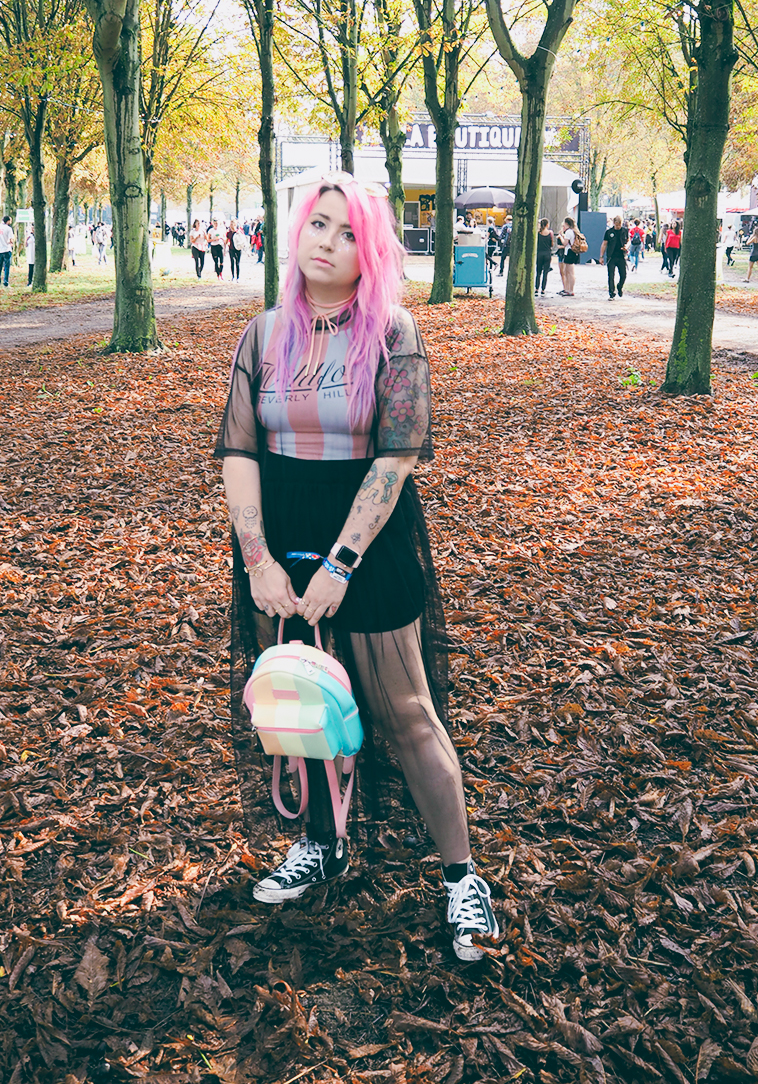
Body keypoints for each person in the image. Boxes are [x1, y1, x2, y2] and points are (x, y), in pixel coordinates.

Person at [215, 180, 500, 962]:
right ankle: (321, 842)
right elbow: (238, 449)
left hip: (366, 540)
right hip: (281, 534)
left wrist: (343, 561)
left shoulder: (395, 335)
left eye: (347, 231)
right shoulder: (261, 335)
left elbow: (399, 452)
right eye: (317, 223)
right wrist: (258, 561)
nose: (327, 240)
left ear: (369, 250)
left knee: (408, 713)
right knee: (301, 707)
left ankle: (461, 877)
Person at [602, 214, 630, 299]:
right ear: (614, 223)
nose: (618, 227)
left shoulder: (625, 231)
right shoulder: (609, 232)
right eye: (617, 225)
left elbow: (629, 240)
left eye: (619, 225)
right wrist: (601, 256)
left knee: (623, 275)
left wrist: (626, 246)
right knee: (611, 275)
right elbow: (604, 244)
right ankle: (612, 293)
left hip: (621, 256)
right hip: (612, 256)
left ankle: (619, 286)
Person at [558, 215, 578, 296]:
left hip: (569, 252)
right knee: (567, 271)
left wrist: (561, 237)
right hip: (572, 252)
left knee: (569, 272)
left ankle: (570, 290)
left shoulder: (569, 232)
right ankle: (568, 289)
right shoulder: (573, 231)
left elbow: (565, 243)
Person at [535, 217, 555, 295]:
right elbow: (552, 244)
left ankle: (536, 288)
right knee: (545, 272)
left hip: (539, 253)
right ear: (547, 224)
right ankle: (543, 289)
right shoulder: (550, 233)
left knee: (538, 272)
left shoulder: (538, 233)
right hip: (547, 253)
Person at [0, 214, 15, 287]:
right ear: (8, 221)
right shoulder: (8, 229)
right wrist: (12, 243)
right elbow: (11, 240)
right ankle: (6, 282)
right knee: (6, 267)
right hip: (6, 249)